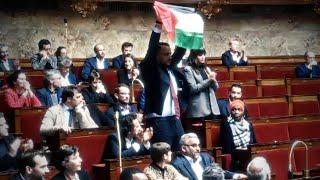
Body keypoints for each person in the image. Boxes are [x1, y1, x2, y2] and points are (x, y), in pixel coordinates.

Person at [139, 17, 188, 151]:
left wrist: (184, 30)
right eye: (166, 54)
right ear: (157, 55)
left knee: (181, 151)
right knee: (164, 155)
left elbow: (181, 51)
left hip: (175, 119)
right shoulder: (150, 69)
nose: (170, 57)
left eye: (170, 54)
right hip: (159, 121)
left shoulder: (170, 67)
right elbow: (151, 48)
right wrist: (158, 25)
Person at [40, 86, 112, 136]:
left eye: (82, 96)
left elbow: (92, 131)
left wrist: (81, 113)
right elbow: (43, 130)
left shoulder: (83, 109)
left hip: (79, 143)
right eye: (78, 97)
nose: (82, 99)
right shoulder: (53, 110)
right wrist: (58, 128)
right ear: (68, 99)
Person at [172, 133, 246, 180]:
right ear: (184, 148)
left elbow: (218, 173)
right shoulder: (177, 165)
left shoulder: (206, 157)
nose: (198, 149)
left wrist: (236, 176)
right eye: (194, 146)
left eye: (199, 145)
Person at [184, 49, 220, 123]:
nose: (203, 57)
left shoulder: (206, 69)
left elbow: (216, 88)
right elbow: (193, 88)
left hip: (212, 108)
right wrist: (209, 80)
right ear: (194, 57)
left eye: (204, 55)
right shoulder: (188, 69)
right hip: (199, 110)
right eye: (200, 55)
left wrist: (214, 80)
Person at [219, 100, 256, 170]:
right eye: (234, 109)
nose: (236, 112)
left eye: (239, 109)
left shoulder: (248, 124)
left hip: (249, 152)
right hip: (235, 156)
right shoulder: (226, 124)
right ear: (230, 111)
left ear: (243, 111)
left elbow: (254, 141)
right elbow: (226, 146)